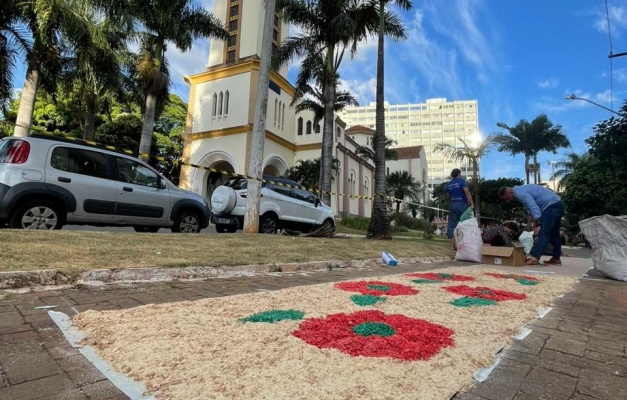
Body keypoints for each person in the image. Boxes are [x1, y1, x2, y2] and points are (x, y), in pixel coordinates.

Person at [498, 185, 565, 266]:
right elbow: (529, 209)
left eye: (507, 198)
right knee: (555, 234)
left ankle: (535, 259)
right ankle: (556, 258)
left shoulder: (521, 193)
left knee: (543, 232)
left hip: (550, 206)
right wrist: (534, 224)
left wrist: (539, 224)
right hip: (558, 204)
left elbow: (533, 207)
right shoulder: (520, 191)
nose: (508, 201)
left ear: (510, 193)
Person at [446, 168, 474, 249]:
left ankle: (452, 245)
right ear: (459, 174)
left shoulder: (449, 184)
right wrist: (472, 204)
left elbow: (448, 196)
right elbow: (467, 193)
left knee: (453, 224)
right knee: (465, 223)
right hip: (462, 204)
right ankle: (464, 245)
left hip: (452, 204)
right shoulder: (462, 181)